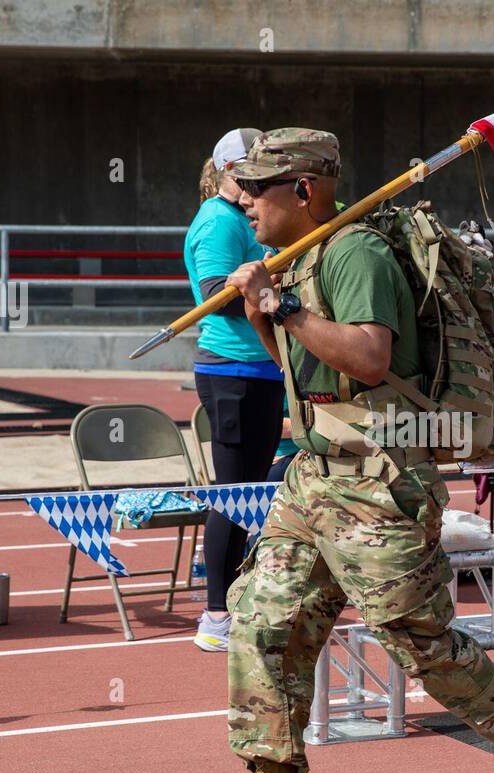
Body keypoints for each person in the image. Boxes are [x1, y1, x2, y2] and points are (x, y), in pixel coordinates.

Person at [187, 128, 494, 773]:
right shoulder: (305, 255)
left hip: (378, 482)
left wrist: (282, 307)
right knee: (262, 624)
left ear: (305, 191)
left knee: (421, 644)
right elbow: (303, 364)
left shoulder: (356, 254)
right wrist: (261, 309)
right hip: (314, 475)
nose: (246, 201)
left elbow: (371, 360)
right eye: (243, 187)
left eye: (259, 187)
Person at [185, 128, 286, 652]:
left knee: (256, 490)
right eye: (254, 168)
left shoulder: (246, 216)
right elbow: (214, 296)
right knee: (232, 493)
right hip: (233, 370)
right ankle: (216, 614)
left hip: (263, 369)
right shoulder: (218, 221)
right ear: (230, 169)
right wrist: (276, 289)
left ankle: (242, 596)